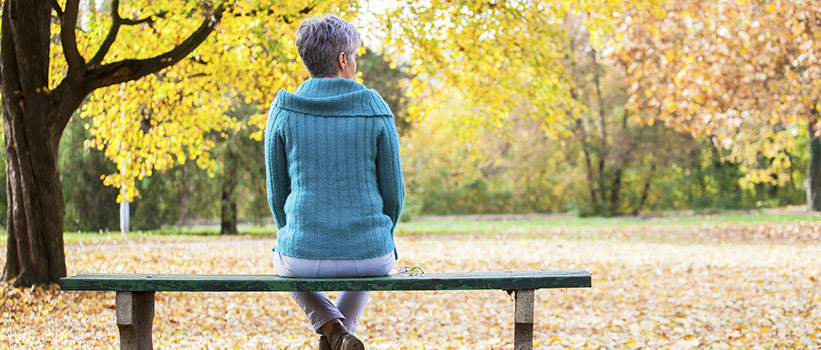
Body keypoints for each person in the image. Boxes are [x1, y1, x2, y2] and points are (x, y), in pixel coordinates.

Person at [264, 14, 404, 350]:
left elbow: (277, 194)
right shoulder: (375, 106)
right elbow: (394, 194)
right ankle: (338, 336)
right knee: (371, 263)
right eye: (354, 57)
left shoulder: (283, 109)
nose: (354, 64)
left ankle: (332, 331)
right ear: (343, 60)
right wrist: (379, 234)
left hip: (302, 254)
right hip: (372, 254)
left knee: (281, 259)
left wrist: (296, 233)